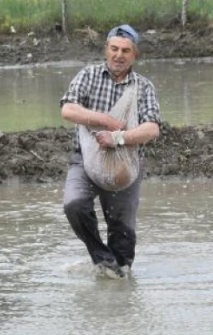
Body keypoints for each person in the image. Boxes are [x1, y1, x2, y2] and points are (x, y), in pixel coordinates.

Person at [60, 23, 161, 278]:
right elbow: (68, 110)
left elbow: (152, 130)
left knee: (123, 232)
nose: (119, 55)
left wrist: (118, 137)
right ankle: (102, 258)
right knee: (74, 205)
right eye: (114, 48)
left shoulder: (143, 87)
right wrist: (104, 120)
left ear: (134, 55)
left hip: (125, 165)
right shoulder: (89, 75)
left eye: (125, 50)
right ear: (106, 50)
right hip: (84, 160)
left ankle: (121, 283)